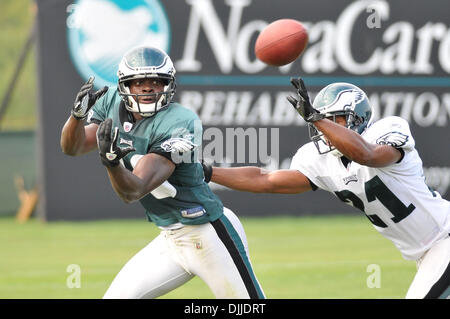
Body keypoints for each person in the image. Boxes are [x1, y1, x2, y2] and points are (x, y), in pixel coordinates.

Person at [202, 78, 450, 299]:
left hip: (444, 240)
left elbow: (367, 154)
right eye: (323, 121)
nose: (326, 130)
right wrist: (210, 173)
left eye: (336, 120)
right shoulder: (320, 160)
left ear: (358, 118)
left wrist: (317, 118)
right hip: (425, 253)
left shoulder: (386, 130)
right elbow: (265, 179)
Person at [60, 46, 265, 299]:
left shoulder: (180, 121)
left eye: (157, 82)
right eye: (139, 82)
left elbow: (134, 189)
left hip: (207, 233)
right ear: (125, 85)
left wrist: (112, 163)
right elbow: (74, 146)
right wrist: (76, 117)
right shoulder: (110, 100)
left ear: (168, 85)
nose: (148, 88)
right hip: (170, 238)